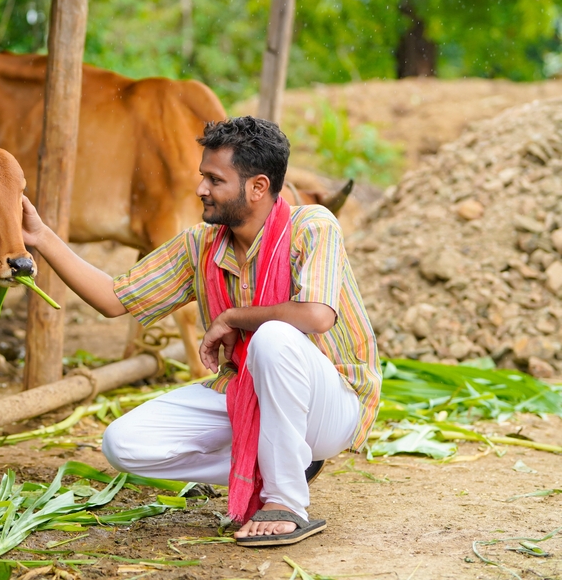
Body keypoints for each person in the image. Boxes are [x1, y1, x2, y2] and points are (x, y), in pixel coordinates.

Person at [20, 116, 380, 547]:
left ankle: (286, 502)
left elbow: (317, 316)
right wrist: (41, 238)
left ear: (258, 187)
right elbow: (114, 299)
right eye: (202, 176)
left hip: (331, 405)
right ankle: (282, 458)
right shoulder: (201, 244)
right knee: (124, 444)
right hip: (244, 392)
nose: (200, 189)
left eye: (215, 179)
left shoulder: (312, 226)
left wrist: (232, 317)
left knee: (273, 336)